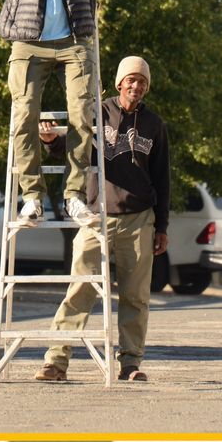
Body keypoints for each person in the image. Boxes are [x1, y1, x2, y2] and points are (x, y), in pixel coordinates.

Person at [36, 55, 169, 383]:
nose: (136, 86)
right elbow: (75, 152)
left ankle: (130, 362)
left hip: (139, 218)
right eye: (131, 80)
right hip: (96, 217)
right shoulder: (98, 112)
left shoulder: (155, 125)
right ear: (119, 82)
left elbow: (163, 178)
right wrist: (52, 141)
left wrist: (162, 226)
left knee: (135, 295)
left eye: (142, 81)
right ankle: (56, 360)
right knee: (81, 287)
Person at [2, 0, 107, 227]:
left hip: (74, 40)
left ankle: (74, 195)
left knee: (82, 115)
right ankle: (32, 197)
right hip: (28, 42)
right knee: (23, 116)